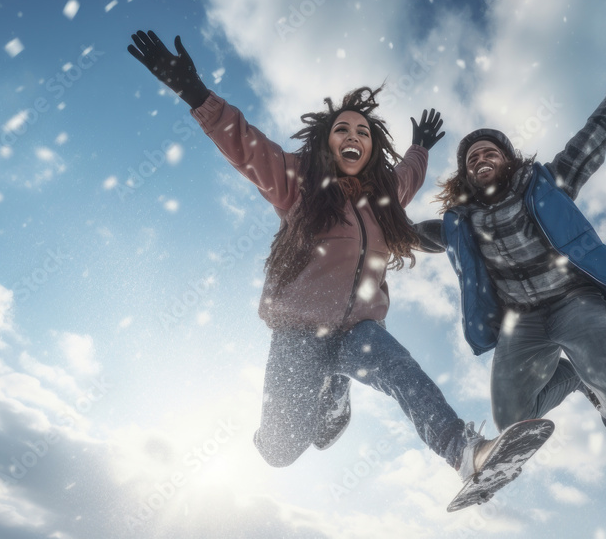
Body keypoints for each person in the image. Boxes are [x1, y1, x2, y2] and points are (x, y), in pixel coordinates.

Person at [127, 30, 552, 495]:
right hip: (299, 331)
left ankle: (466, 453)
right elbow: (247, 147)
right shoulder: (297, 183)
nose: (353, 136)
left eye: (362, 132)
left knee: (402, 370)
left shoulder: (385, 197)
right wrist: (195, 93)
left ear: (371, 149)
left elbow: (407, 175)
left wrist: (420, 147)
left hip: (361, 330)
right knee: (281, 450)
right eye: (342, 130)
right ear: (326, 142)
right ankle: (326, 402)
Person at [419, 37, 606, 476]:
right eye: (472, 158)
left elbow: (591, 140)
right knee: (513, 427)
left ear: (507, 159)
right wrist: (381, 231)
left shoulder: (544, 183)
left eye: (490, 152)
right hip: (520, 323)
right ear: (466, 173)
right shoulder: (461, 222)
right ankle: (574, 377)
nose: (481, 159)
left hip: (573, 302)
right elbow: (420, 236)